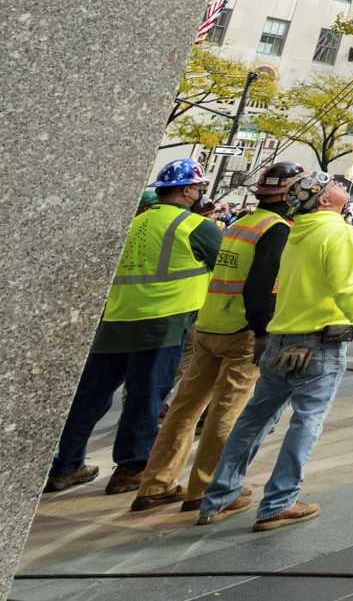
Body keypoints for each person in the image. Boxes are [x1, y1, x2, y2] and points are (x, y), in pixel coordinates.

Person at [195, 171, 353, 530]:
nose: (342, 187)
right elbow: (348, 285)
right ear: (325, 200)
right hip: (320, 341)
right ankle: (279, 502)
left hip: (281, 338)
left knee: (254, 418)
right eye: (334, 186)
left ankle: (219, 496)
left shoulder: (297, 233)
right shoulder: (339, 232)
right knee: (307, 419)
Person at [129, 162, 302, 512]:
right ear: (291, 195)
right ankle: (206, 490)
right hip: (241, 332)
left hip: (208, 324)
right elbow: (261, 287)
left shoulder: (242, 224)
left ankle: (155, 484)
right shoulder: (277, 230)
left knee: (184, 409)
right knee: (227, 412)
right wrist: (263, 332)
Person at [46, 159, 224, 495]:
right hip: (162, 324)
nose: (200, 193)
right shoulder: (197, 227)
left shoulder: (137, 222)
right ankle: (132, 467)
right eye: (199, 188)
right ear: (187, 190)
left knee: (90, 398)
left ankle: (65, 466)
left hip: (115, 320)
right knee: (145, 398)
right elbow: (228, 269)